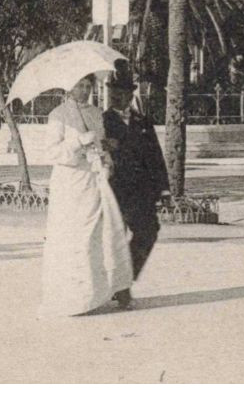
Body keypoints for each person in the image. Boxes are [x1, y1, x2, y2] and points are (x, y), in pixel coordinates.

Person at [38, 73, 132, 317]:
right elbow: (51, 152)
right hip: (70, 184)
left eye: (88, 85)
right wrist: (78, 142)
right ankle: (76, 297)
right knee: (75, 237)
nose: (84, 90)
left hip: (94, 179)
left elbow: (99, 144)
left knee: (101, 232)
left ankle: (106, 290)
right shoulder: (58, 115)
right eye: (79, 85)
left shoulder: (96, 113)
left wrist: (105, 151)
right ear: (69, 87)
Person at [102, 68, 167, 309]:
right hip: (115, 189)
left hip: (142, 191)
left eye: (123, 94)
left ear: (131, 95)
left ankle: (124, 280)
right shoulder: (102, 121)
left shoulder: (143, 121)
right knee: (115, 239)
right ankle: (121, 287)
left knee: (149, 231)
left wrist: (164, 190)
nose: (119, 98)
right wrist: (107, 147)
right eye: (114, 94)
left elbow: (156, 157)